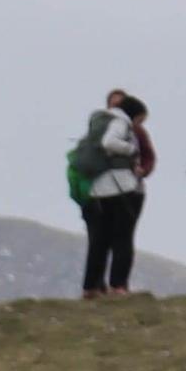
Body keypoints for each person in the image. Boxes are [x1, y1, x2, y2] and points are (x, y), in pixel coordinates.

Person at [68, 92, 150, 297]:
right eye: (139, 119)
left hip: (97, 190)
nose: (139, 124)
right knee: (123, 237)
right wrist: (131, 149)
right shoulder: (120, 123)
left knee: (99, 241)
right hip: (119, 187)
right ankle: (118, 285)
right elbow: (109, 142)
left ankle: (90, 287)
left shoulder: (98, 121)